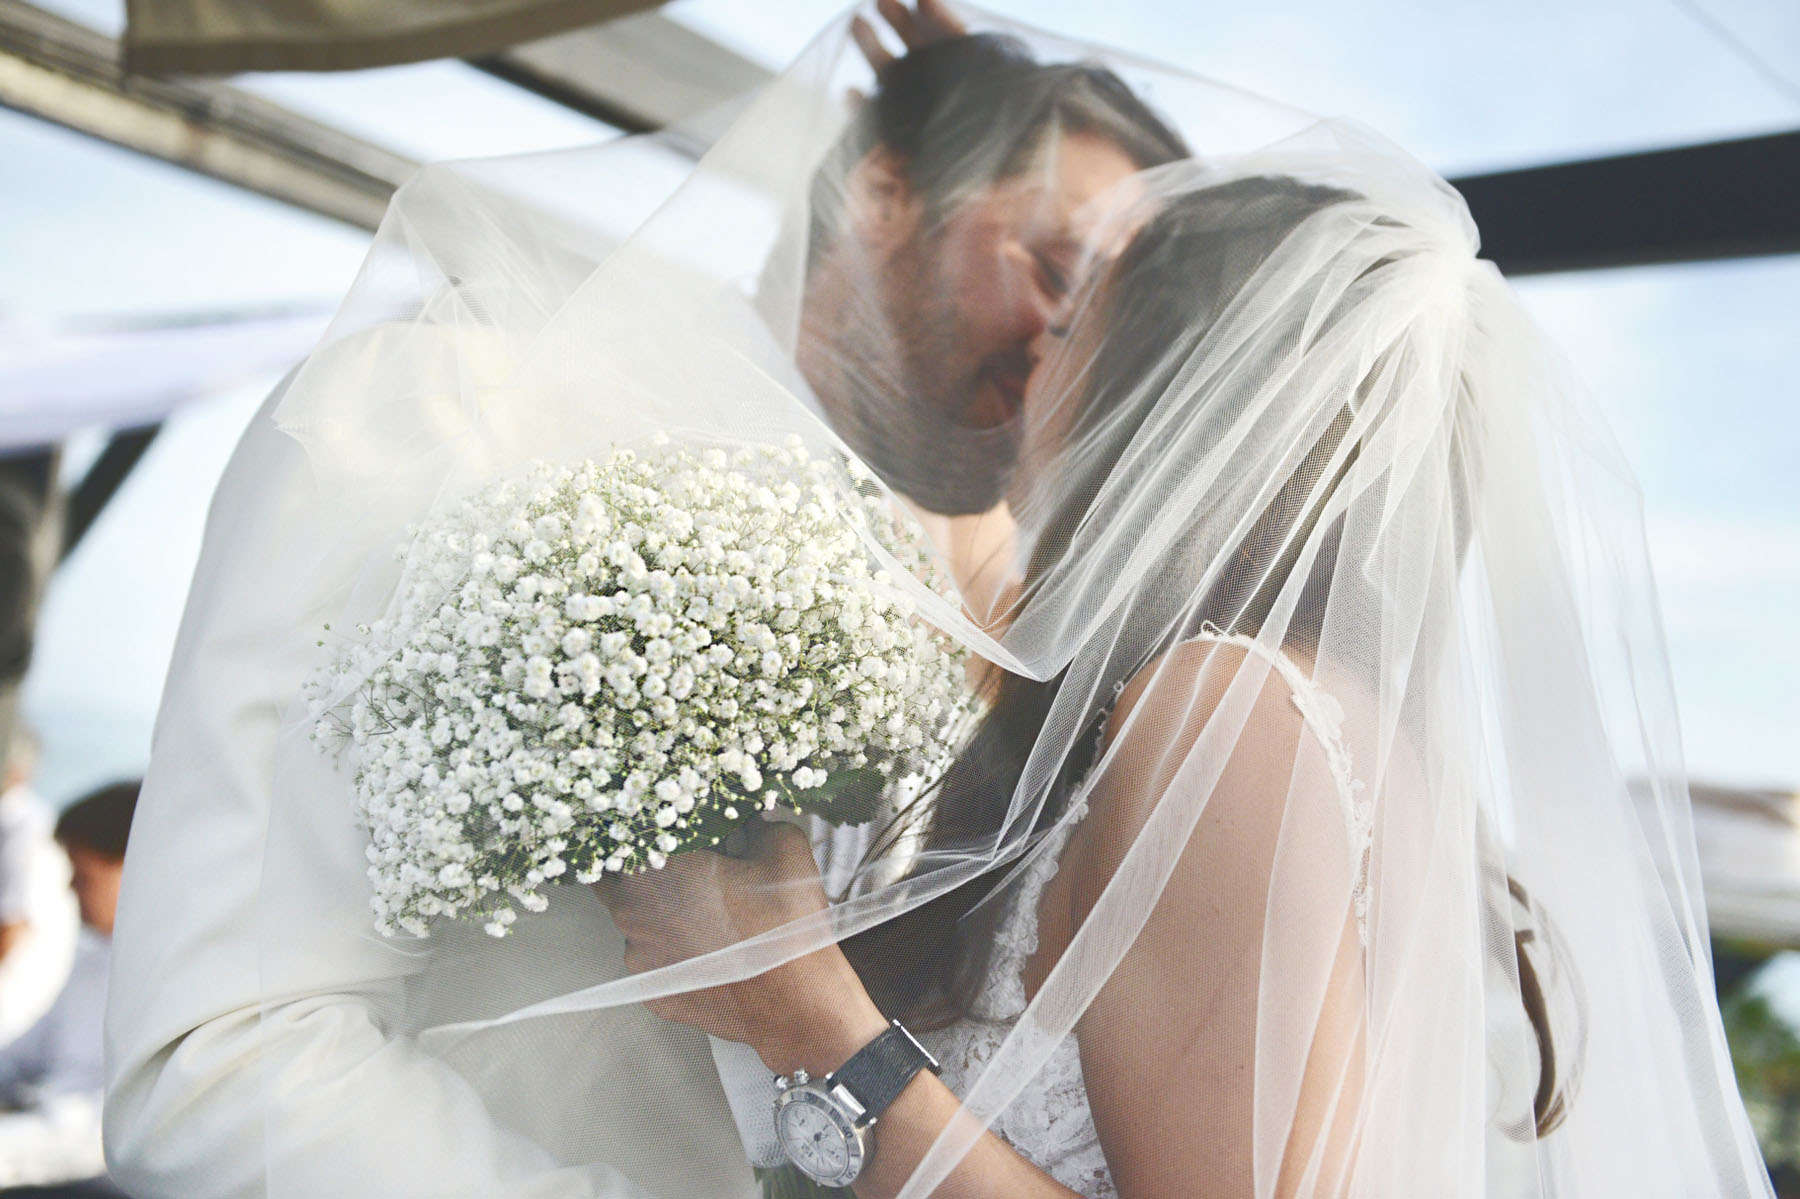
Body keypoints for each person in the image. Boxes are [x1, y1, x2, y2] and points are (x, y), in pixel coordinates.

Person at [100, 10, 1186, 1198]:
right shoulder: (453, 402)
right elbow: (221, 1065)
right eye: (1055, 269)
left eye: (1110, 322)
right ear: (883, 194)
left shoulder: (953, 598)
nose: (1069, 345)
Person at [0, 782, 135, 1192]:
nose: (70, 889)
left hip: (94, 1178)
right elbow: (31, 1051)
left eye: (82, 875)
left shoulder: (174, 985)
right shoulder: (95, 955)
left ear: (132, 868)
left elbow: (106, 1134)